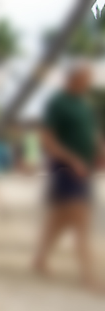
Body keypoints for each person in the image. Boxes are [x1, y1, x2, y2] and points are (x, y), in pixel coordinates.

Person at [34, 63, 104, 287]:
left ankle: (40, 259)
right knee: (81, 218)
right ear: (73, 79)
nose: (88, 83)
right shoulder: (58, 103)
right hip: (66, 168)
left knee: (60, 219)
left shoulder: (83, 105)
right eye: (85, 79)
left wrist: (100, 151)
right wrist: (72, 160)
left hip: (83, 168)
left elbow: (91, 134)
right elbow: (48, 139)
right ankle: (89, 275)